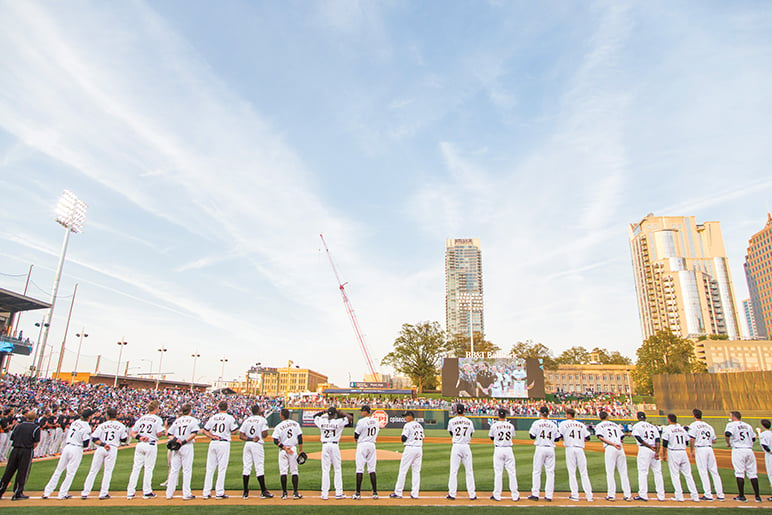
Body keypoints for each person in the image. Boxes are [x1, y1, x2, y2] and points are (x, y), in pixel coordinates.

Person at [42, 408, 94, 500]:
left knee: (58, 470)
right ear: (89, 417)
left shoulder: (75, 422)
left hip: (67, 447)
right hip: (76, 448)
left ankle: (47, 492)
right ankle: (62, 493)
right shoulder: (86, 427)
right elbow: (86, 444)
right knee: (70, 473)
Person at [81, 407, 129, 500]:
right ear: (116, 415)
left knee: (93, 470)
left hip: (101, 447)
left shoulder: (102, 425)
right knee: (107, 471)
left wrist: (103, 444)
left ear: (107, 416)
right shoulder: (121, 425)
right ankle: (103, 493)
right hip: (112, 448)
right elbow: (124, 439)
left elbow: (94, 438)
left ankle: (85, 493)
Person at [126, 400, 166, 499]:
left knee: (136, 468)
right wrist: (165, 428)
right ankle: (147, 491)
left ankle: (130, 492)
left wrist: (139, 437)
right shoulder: (157, 419)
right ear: (156, 409)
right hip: (150, 444)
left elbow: (133, 432)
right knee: (148, 468)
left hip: (140, 444)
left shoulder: (141, 418)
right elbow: (159, 434)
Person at [0, 410, 40, 500]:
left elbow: (12, 438)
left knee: (9, 470)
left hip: (15, 449)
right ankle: (18, 492)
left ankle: (1, 489)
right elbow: (35, 442)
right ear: (34, 418)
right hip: (26, 450)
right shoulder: (35, 427)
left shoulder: (18, 426)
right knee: (23, 471)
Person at [314, 406, 353, 500]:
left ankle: (324, 494)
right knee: (337, 469)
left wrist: (324, 411)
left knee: (325, 470)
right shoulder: (338, 422)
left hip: (325, 446)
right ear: (335, 414)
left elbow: (315, 416)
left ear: (328, 414)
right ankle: (339, 493)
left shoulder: (322, 421)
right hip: (334, 446)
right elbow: (350, 418)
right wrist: (341, 412)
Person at [202, 400, 238, 499]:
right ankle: (219, 492)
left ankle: (206, 492)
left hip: (213, 442)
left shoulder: (213, 417)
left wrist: (212, 436)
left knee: (210, 468)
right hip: (223, 443)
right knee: (222, 468)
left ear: (218, 408)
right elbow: (234, 431)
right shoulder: (229, 418)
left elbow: (204, 430)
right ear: (227, 408)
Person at [661, 413, 699, 502]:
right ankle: (695, 496)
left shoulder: (667, 429)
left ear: (669, 420)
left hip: (674, 452)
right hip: (683, 452)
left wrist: (663, 455)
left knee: (675, 475)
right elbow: (686, 442)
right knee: (688, 474)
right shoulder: (682, 429)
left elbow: (665, 444)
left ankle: (679, 496)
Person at [164, 404, 200, 500]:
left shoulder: (177, 420)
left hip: (177, 447)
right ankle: (186, 493)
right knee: (187, 470)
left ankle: (169, 493)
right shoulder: (193, 420)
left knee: (174, 470)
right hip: (186, 446)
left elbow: (169, 434)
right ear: (190, 411)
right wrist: (183, 441)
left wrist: (176, 440)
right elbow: (194, 434)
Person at [688, 408, 724, 501]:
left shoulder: (694, 425)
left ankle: (708, 494)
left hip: (700, 449)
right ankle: (720, 494)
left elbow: (692, 439)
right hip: (709, 448)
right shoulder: (708, 426)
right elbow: (714, 440)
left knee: (703, 471)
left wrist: (691, 451)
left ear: (694, 415)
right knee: (714, 471)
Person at [725, 410, 761, 502]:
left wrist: (728, 443)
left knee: (739, 472)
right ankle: (757, 497)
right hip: (749, 450)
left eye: (731, 416)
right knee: (753, 473)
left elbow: (727, 434)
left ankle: (741, 496)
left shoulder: (731, 425)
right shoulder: (747, 425)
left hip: (738, 450)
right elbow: (753, 438)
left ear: (733, 417)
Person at [557, 407, 592, 502]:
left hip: (570, 448)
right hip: (580, 449)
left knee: (572, 472)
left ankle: (575, 495)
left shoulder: (563, 424)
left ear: (569, 414)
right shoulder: (581, 424)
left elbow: (559, 436)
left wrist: (566, 438)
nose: (565, 415)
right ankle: (589, 496)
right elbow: (588, 438)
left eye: (566, 414)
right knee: (584, 472)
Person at [595, 410, 631, 501]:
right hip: (620, 448)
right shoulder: (615, 424)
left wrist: (612, 444)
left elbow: (600, 437)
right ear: (607, 417)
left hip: (610, 448)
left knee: (610, 472)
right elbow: (622, 436)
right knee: (623, 472)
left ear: (600, 417)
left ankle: (611, 495)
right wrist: (617, 443)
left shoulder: (599, 425)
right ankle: (628, 495)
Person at [239, 404, 272, 499]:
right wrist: (257, 437)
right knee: (259, 467)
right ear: (258, 411)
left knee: (246, 467)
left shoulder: (247, 420)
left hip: (248, 444)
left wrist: (250, 438)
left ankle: (245, 492)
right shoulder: (262, 420)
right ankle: (263, 491)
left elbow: (241, 436)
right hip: (257, 445)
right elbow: (265, 434)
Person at [630, 411, 665, 502]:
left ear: (638, 417)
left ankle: (643, 495)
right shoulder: (653, 426)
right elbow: (657, 439)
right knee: (658, 472)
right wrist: (657, 451)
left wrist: (649, 447)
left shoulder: (637, 426)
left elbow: (639, 438)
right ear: (645, 417)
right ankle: (661, 495)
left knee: (643, 472)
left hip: (644, 449)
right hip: (654, 449)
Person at [389, 411, 423, 499]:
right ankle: (415, 494)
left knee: (403, 471)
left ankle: (398, 492)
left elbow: (403, 438)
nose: (405, 418)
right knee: (416, 472)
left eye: (406, 416)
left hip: (410, 448)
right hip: (419, 449)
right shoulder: (419, 426)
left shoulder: (408, 425)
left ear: (411, 416)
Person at [446, 403, 476, 501]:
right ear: (464, 411)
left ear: (456, 410)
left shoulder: (451, 421)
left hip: (456, 446)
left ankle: (452, 494)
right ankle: (472, 494)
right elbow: (471, 434)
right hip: (466, 446)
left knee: (453, 471)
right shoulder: (469, 421)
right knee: (469, 471)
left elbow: (451, 433)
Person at [527, 406, 558, 501]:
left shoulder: (537, 423)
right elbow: (557, 438)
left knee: (537, 471)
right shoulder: (553, 424)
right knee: (550, 472)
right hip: (550, 448)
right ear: (548, 413)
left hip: (540, 448)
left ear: (540, 413)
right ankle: (549, 496)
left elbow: (532, 436)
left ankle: (535, 494)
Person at [488, 407, 519, 501]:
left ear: (498, 415)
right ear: (505, 415)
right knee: (512, 472)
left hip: (498, 449)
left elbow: (491, 437)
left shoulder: (494, 425)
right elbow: (512, 436)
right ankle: (515, 495)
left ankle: (497, 495)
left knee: (498, 473)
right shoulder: (510, 426)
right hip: (508, 449)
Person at [272, 408, 303, 500]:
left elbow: (275, 440)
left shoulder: (278, 426)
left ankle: (284, 493)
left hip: (283, 450)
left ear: (282, 416)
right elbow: (300, 437)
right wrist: (300, 450)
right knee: (294, 471)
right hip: (293, 449)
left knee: (283, 472)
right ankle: (295, 493)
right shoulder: (295, 424)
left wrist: (284, 448)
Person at [353, 405, 380, 500]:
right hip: (372, 444)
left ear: (366, 412)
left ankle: (357, 493)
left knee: (359, 469)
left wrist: (358, 441)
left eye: (362, 411)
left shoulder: (361, 421)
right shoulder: (376, 421)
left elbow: (356, 434)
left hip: (362, 444)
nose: (361, 412)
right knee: (372, 469)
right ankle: (375, 492)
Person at [759, 419, 772, 502]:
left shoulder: (763, 434)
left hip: (770, 455)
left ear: (763, 426)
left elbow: (764, 445)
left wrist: (770, 451)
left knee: (771, 474)